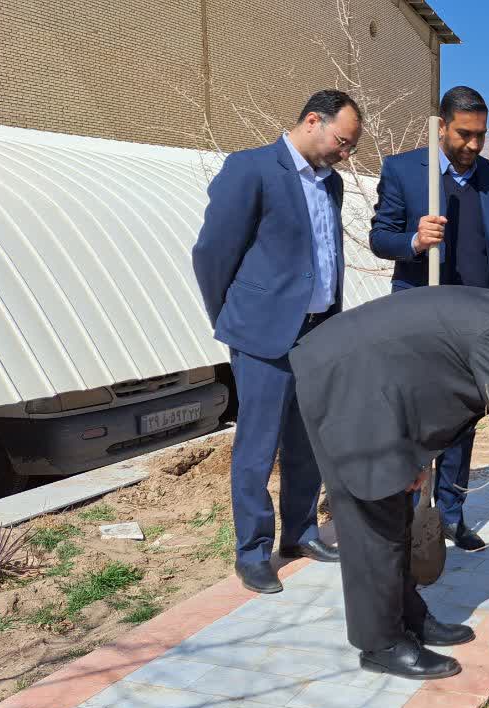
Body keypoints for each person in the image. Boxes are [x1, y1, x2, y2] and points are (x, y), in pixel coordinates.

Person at [289, 286, 489, 679]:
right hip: (349, 386)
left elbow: (446, 382)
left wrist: (418, 455)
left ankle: (408, 617)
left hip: (380, 389)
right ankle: (381, 643)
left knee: (395, 512)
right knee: (374, 519)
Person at [191, 90, 360, 594]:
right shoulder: (251, 169)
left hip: (317, 332)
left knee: (307, 442)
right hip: (262, 335)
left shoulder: (330, 185)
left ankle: (301, 531)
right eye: (342, 141)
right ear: (313, 120)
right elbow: (212, 252)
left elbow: (324, 254)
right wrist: (231, 317)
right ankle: (252, 552)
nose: (345, 154)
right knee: (257, 448)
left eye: (350, 146)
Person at [368, 85, 489, 552]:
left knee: (463, 421)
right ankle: (410, 516)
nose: (473, 145)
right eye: (464, 135)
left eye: (480, 136)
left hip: (476, 318)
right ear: (443, 127)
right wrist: (413, 240)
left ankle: (450, 513)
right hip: (421, 315)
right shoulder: (405, 171)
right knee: (414, 419)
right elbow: (380, 237)